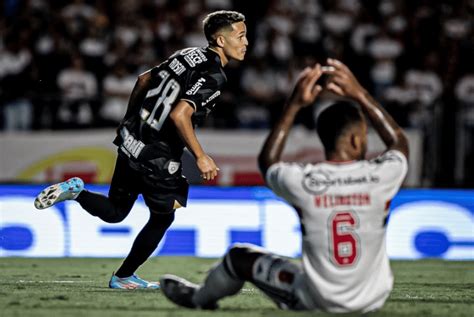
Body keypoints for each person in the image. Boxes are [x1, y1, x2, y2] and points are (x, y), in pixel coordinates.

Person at [159, 58, 409, 313]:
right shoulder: (382, 176)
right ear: (357, 140)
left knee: (239, 257)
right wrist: (361, 94)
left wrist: (295, 104)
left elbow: (269, 162)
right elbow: (399, 143)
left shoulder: (305, 181)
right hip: (373, 298)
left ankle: (199, 298)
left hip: (319, 298)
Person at [33, 10, 248, 289]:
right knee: (163, 217)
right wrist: (201, 156)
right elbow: (180, 115)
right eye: (240, 36)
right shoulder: (214, 75)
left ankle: (76, 192)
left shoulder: (187, 54)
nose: (246, 42)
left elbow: (143, 79)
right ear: (220, 40)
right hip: (157, 155)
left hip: (133, 139)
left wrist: (129, 121)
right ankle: (123, 276)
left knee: (116, 210)